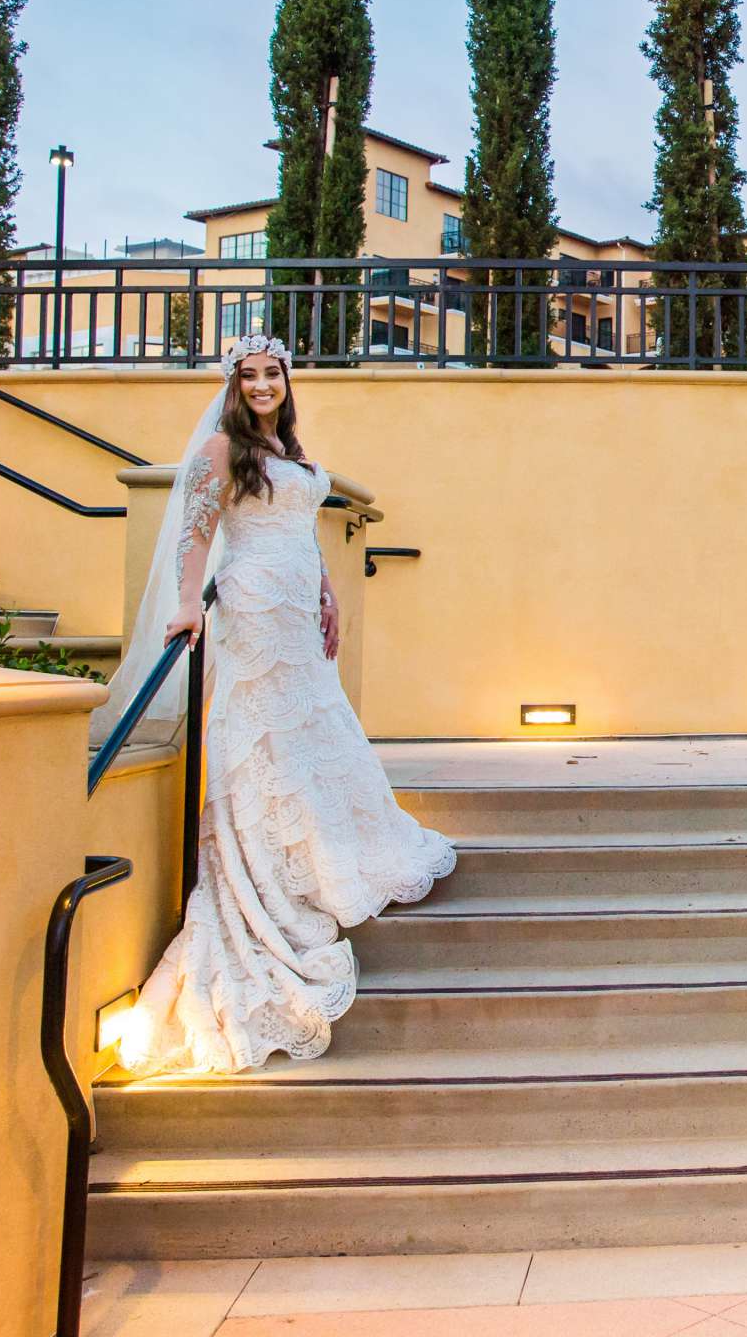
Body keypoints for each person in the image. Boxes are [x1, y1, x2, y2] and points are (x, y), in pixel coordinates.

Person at [92, 332, 456, 1075]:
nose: (263, 386)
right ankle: (275, 864)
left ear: (287, 380)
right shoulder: (222, 451)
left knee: (313, 729)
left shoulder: (286, 449)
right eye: (250, 376)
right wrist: (189, 607)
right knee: (266, 736)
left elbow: (304, 531)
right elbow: (196, 533)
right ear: (234, 385)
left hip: (295, 603)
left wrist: (327, 594)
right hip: (253, 606)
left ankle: (325, 847)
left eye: (273, 373)